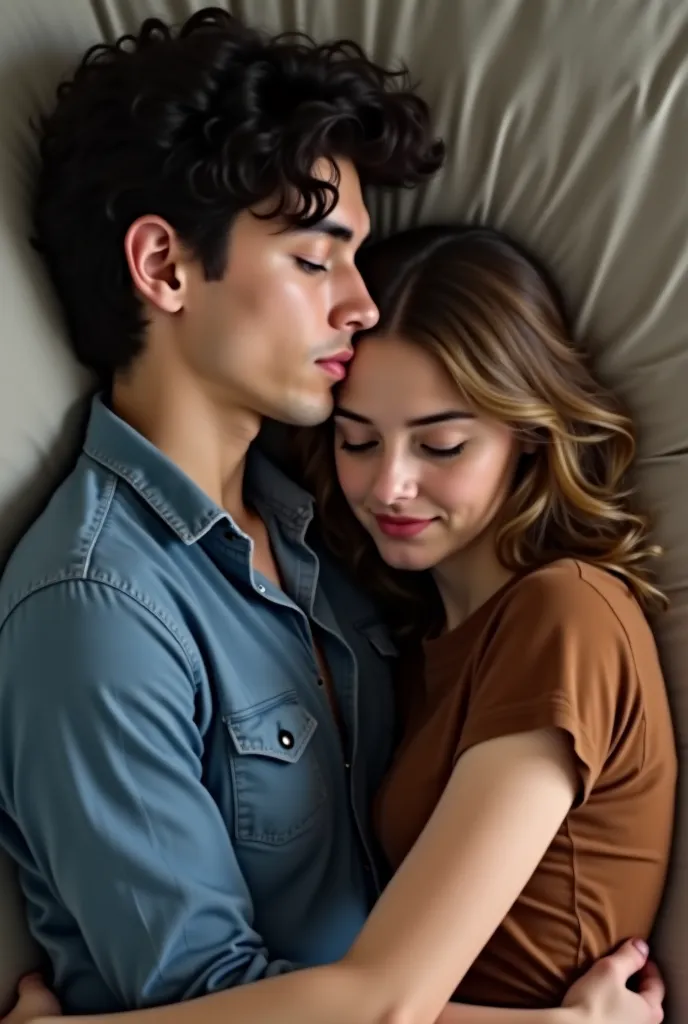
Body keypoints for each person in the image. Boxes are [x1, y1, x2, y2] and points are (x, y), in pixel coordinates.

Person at [0, 7, 667, 1024]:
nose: (360, 305)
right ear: (164, 268)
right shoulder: (95, 606)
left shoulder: (337, 537)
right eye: (316, 261)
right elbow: (201, 998)